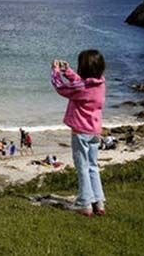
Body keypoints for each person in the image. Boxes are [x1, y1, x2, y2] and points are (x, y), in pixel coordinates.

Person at [51, 50, 107, 217]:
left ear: (83, 68)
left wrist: (55, 72)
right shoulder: (100, 84)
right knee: (93, 166)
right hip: (95, 131)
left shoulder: (81, 87)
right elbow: (81, 83)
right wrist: (68, 72)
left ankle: (85, 204)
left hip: (80, 132)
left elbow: (60, 87)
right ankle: (99, 202)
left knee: (82, 167)